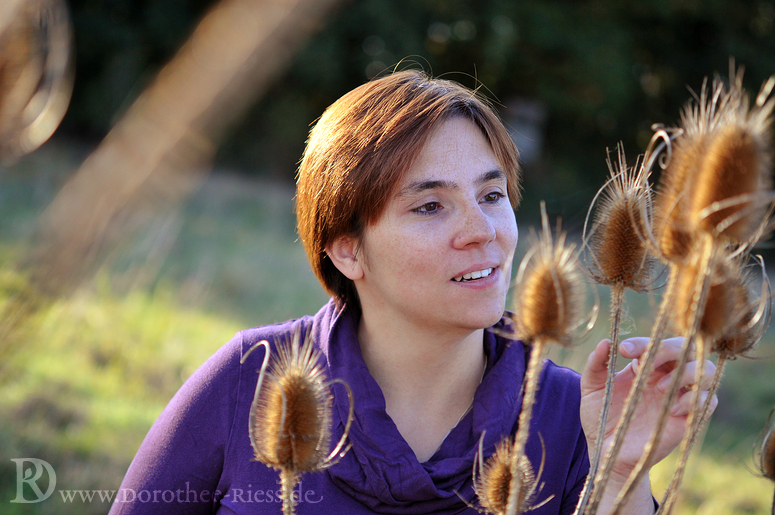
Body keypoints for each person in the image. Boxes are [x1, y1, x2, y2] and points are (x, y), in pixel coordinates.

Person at [108, 70, 716, 514]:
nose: (482, 233)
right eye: (430, 206)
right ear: (347, 248)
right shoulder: (252, 380)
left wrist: (622, 476)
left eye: (491, 194)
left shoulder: (575, 417)